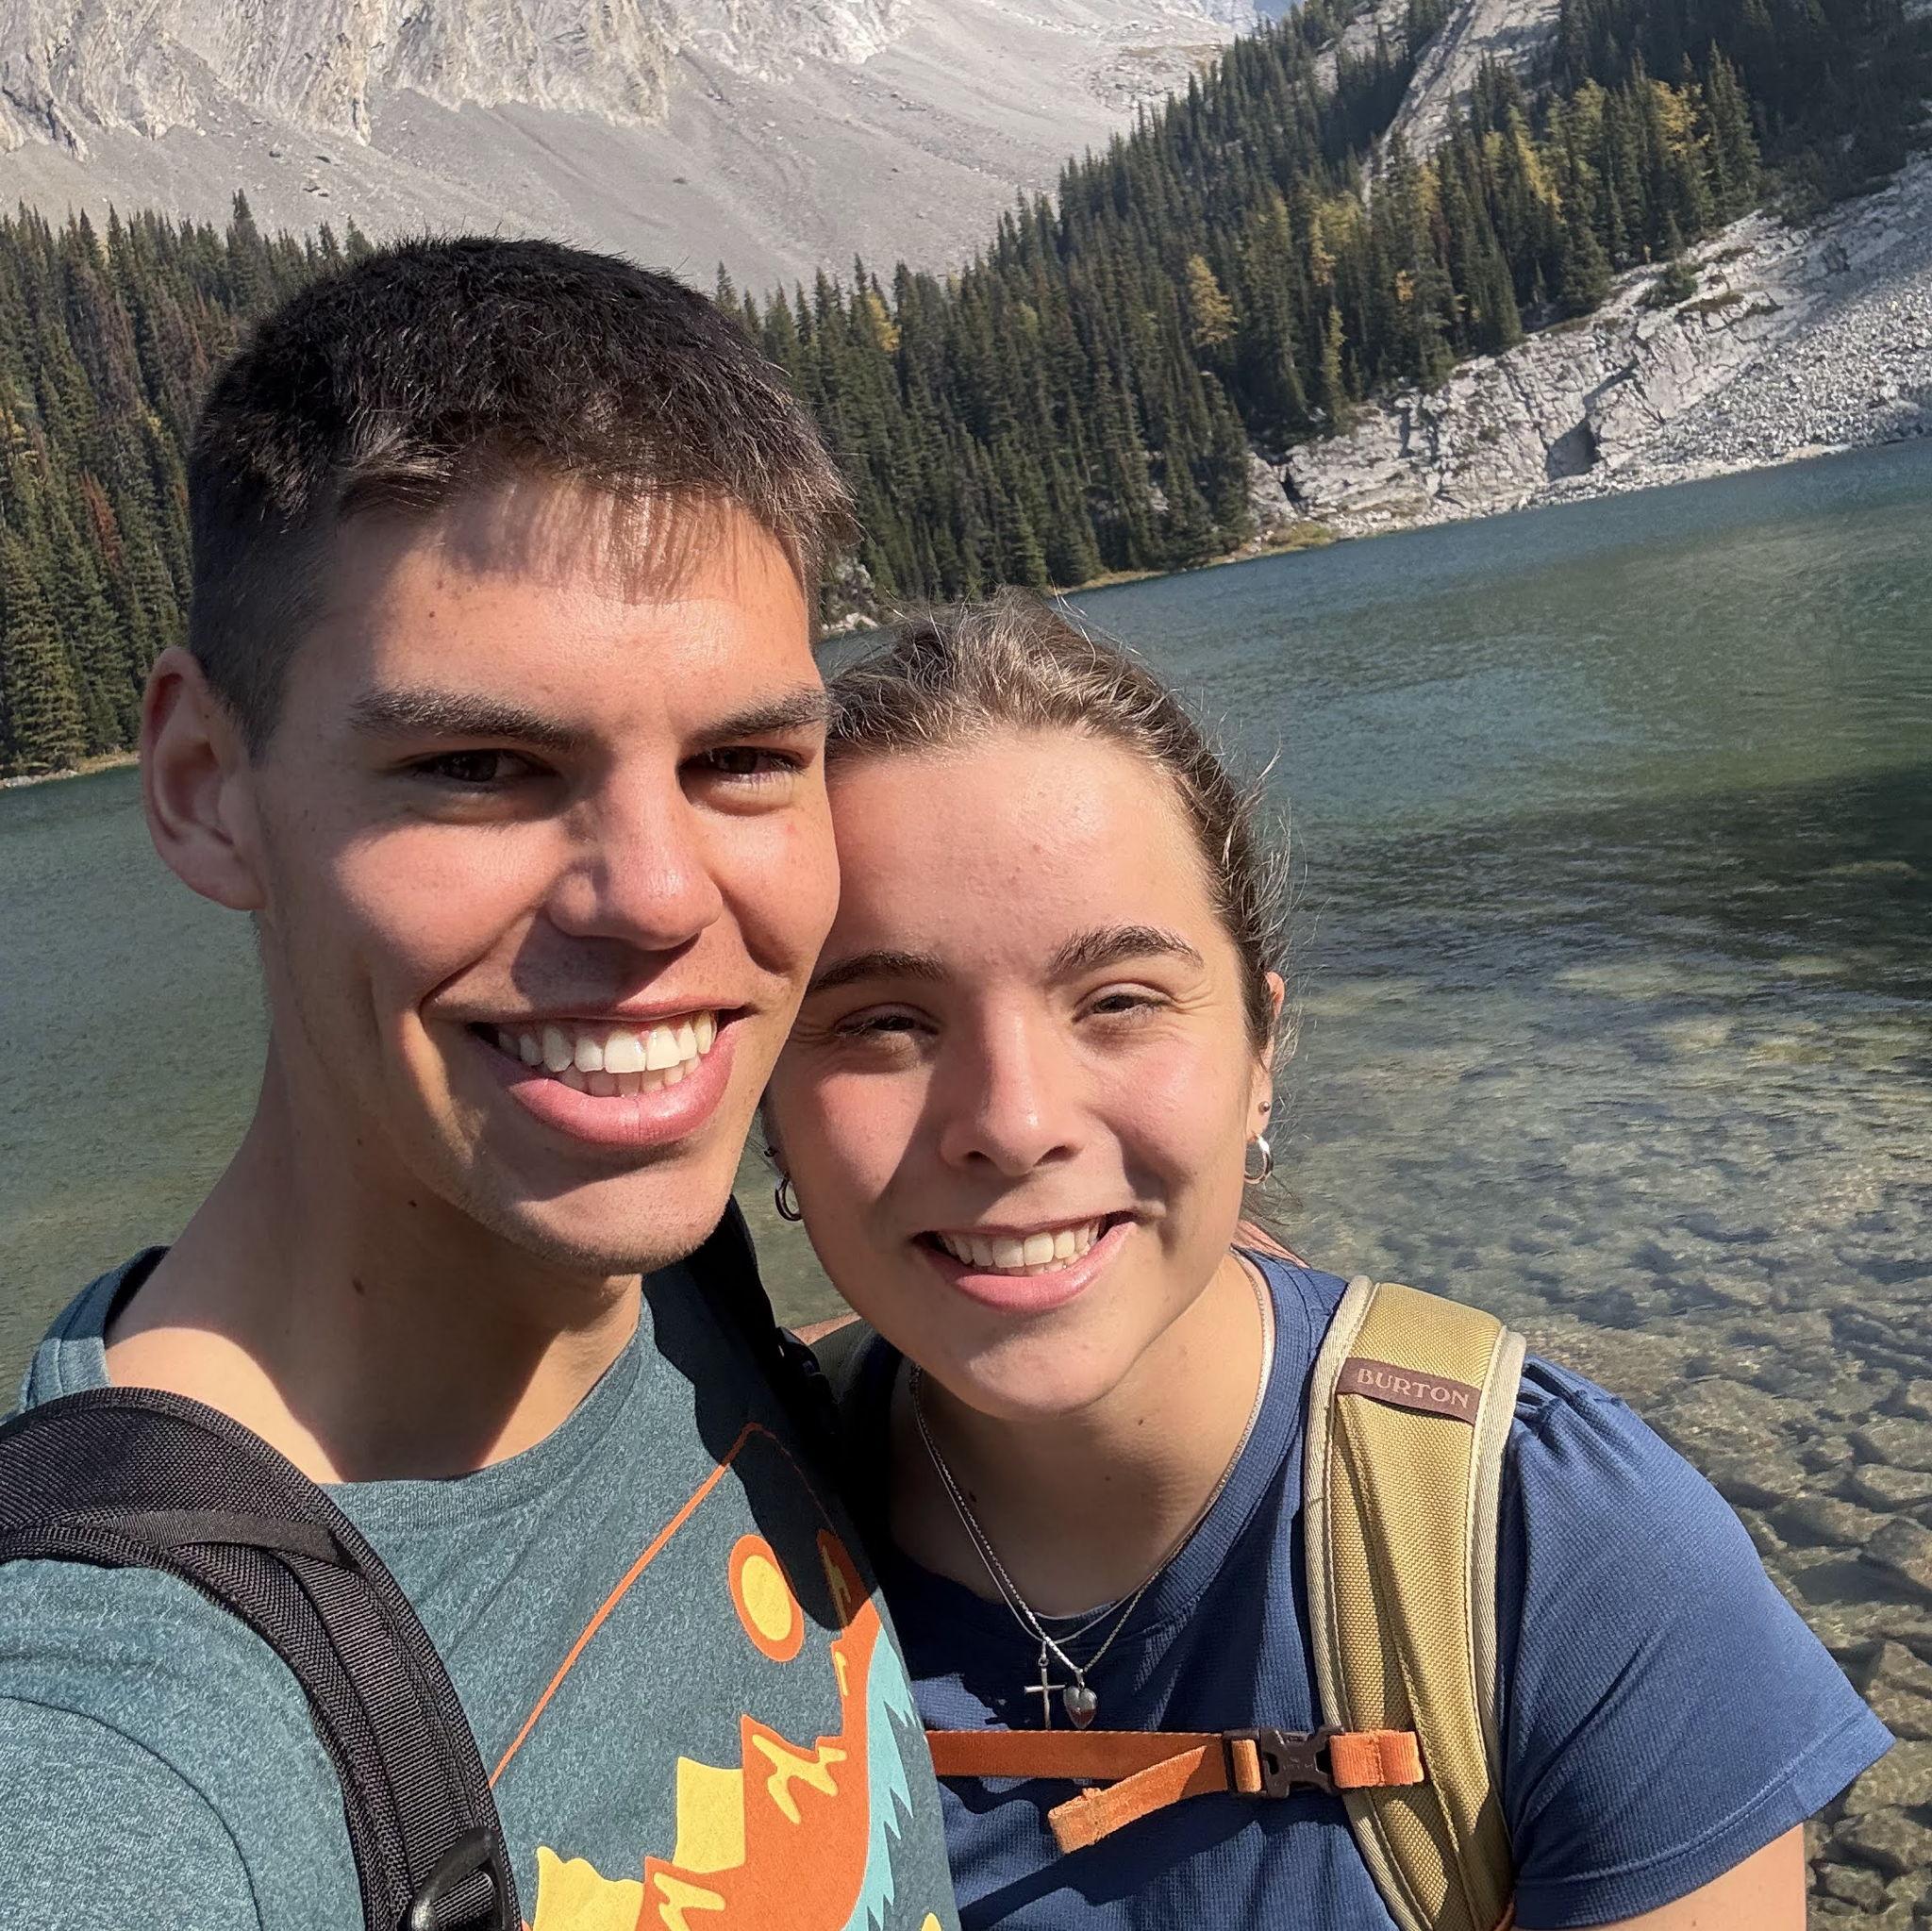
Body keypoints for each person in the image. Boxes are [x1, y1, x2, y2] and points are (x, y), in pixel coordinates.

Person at [0, 240, 959, 1931]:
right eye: (478, 768)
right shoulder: (117, 1759)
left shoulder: (678, 1282)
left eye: (746, 759)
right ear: (205, 786)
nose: (660, 897)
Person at [758, 593, 1890, 1930]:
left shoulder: (1558, 1557)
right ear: (767, 1098)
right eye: (886, 1023)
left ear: (1261, 1053)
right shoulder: (709, 1545)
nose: (1011, 1122)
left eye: (1119, 1001)